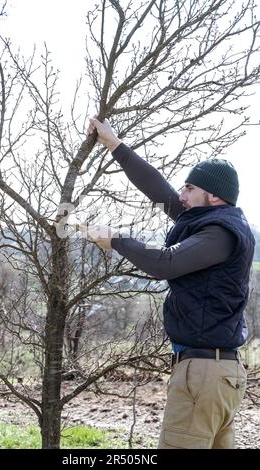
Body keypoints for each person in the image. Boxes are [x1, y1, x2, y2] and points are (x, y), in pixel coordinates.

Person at [81, 117, 255, 449]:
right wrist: (114, 145)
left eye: (189, 188)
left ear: (215, 197)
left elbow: (165, 262)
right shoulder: (205, 219)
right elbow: (158, 190)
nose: (181, 194)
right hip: (216, 375)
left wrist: (116, 239)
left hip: (203, 375)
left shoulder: (219, 234)